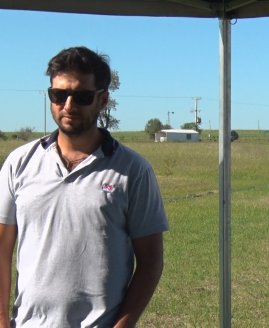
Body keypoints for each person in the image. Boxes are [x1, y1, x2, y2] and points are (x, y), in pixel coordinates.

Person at [0, 46, 169, 327]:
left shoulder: (133, 170)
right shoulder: (19, 163)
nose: (68, 105)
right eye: (58, 95)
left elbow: (151, 261)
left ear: (103, 100)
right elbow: (1, 247)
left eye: (81, 96)